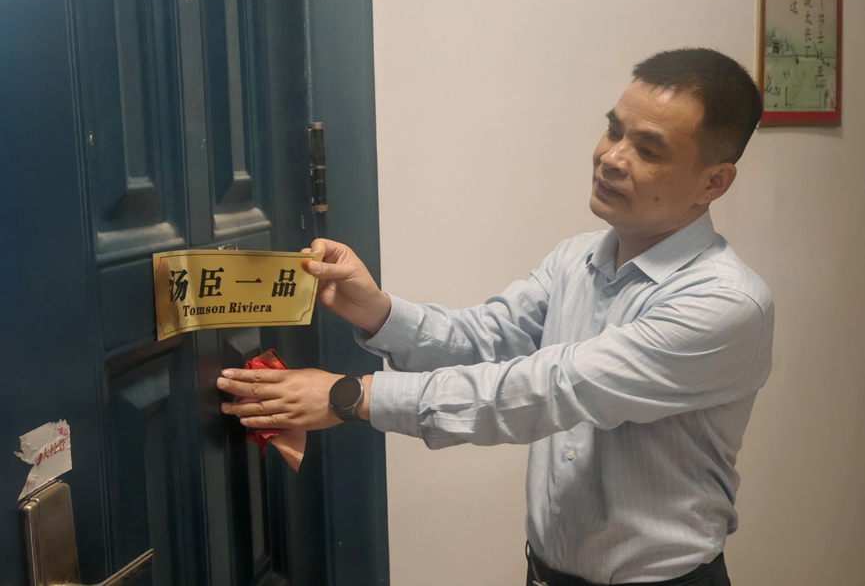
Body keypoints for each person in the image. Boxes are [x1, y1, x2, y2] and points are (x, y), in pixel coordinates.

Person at [217, 48, 773, 586]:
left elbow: (547, 390)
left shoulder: (724, 303)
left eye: (648, 150)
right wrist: (377, 311)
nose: (611, 157)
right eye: (613, 129)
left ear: (713, 182)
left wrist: (351, 396)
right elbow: (485, 338)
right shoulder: (576, 257)